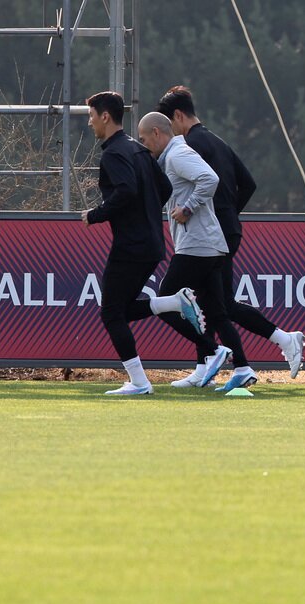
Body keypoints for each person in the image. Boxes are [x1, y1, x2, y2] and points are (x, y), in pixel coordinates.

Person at [157, 85, 305, 386]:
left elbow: (204, 184)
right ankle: (218, 365)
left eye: (166, 124)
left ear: (176, 116)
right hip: (227, 229)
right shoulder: (216, 141)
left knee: (212, 304)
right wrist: (229, 215)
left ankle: (243, 355)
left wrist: (199, 211)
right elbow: (248, 183)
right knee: (214, 304)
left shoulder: (187, 146)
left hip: (210, 235)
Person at [80, 91, 204, 396]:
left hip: (131, 247)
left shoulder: (112, 154)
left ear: (105, 117)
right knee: (122, 311)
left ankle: (139, 382)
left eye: (92, 116)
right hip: (151, 245)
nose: (90, 122)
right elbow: (163, 189)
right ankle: (175, 302)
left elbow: (126, 192)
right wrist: (146, 215)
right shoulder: (139, 150)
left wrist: (94, 215)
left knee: (110, 314)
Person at [137, 111, 257, 391]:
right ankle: (242, 368)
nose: (144, 146)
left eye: (144, 139)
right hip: (210, 245)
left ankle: (212, 350)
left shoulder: (178, 154)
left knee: (166, 302)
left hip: (197, 246)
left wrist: (188, 207)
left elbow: (210, 179)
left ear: (157, 133)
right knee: (216, 312)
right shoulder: (173, 156)